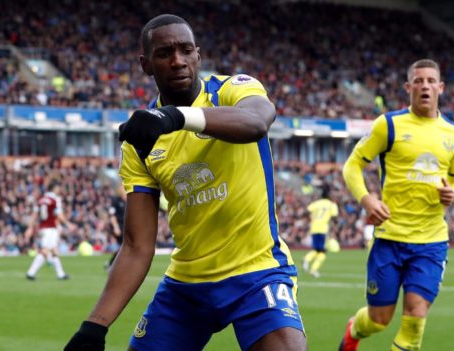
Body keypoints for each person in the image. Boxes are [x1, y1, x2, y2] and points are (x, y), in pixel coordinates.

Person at [64, 14, 306, 351]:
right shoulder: (141, 140)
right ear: (146, 65)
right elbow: (136, 246)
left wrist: (175, 118)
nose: (177, 61)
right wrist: (94, 327)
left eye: (185, 50)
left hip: (258, 271)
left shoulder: (233, 90)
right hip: (187, 285)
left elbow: (256, 122)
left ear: (198, 56)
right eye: (164, 53)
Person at [339, 58, 454, 351]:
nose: (425, 86)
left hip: (432, 242)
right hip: (389, 239)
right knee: (378, 320)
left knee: (415, 317)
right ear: (408, 87)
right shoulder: (389, 125)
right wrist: (368, 199)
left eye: (431, 81)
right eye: (419, 81)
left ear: (441, 88)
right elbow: (352, 166)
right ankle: (352, 331)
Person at [25, 181, 74, 280]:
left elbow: (34, 215)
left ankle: (61, 274)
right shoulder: (55, 199)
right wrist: (69, 224)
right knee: (45, 251)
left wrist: (30, 228)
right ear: (55, 188)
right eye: (58, 188)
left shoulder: (41, 199)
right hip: (50, 228)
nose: (59, 190)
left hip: (43, 228)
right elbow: (59, 215)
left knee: (54, 250)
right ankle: (31, 273)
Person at [302, 186, 339, 278]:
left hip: (314, 227)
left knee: (317, 249)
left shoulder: (316, 203)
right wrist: (335, 227)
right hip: (323, 228)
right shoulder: (331, 204)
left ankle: (307, 260)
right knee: (322, 251)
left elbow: (307, 211)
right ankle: (313, 269)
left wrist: (311, 219)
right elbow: (335, 217)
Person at [104, 184, 126, 270]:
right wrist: (116, 227)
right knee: (124, 246)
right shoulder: (116, 201)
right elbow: (112, 215)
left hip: (126, 226)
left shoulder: (128, 201)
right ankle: (112, 264)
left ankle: (111, 264)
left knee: (123, 247)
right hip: (118, 226)